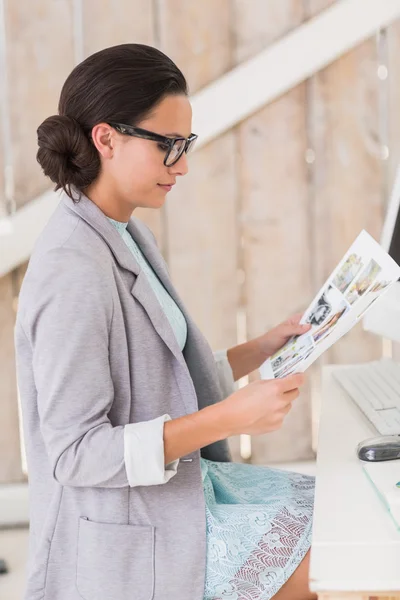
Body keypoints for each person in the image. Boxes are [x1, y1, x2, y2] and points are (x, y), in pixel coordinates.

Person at [14, 43, 316, 600]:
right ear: (106, 139)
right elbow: (75, 453)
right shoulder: (70, 271)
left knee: (337, 517)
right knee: (327, 563)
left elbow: (164, 373)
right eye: (169, 146)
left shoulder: (125, 233)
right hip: (127, 539)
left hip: (176, 495)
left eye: (187, 144)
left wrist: (264, 345)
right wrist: (227, 420)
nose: (182, 164)